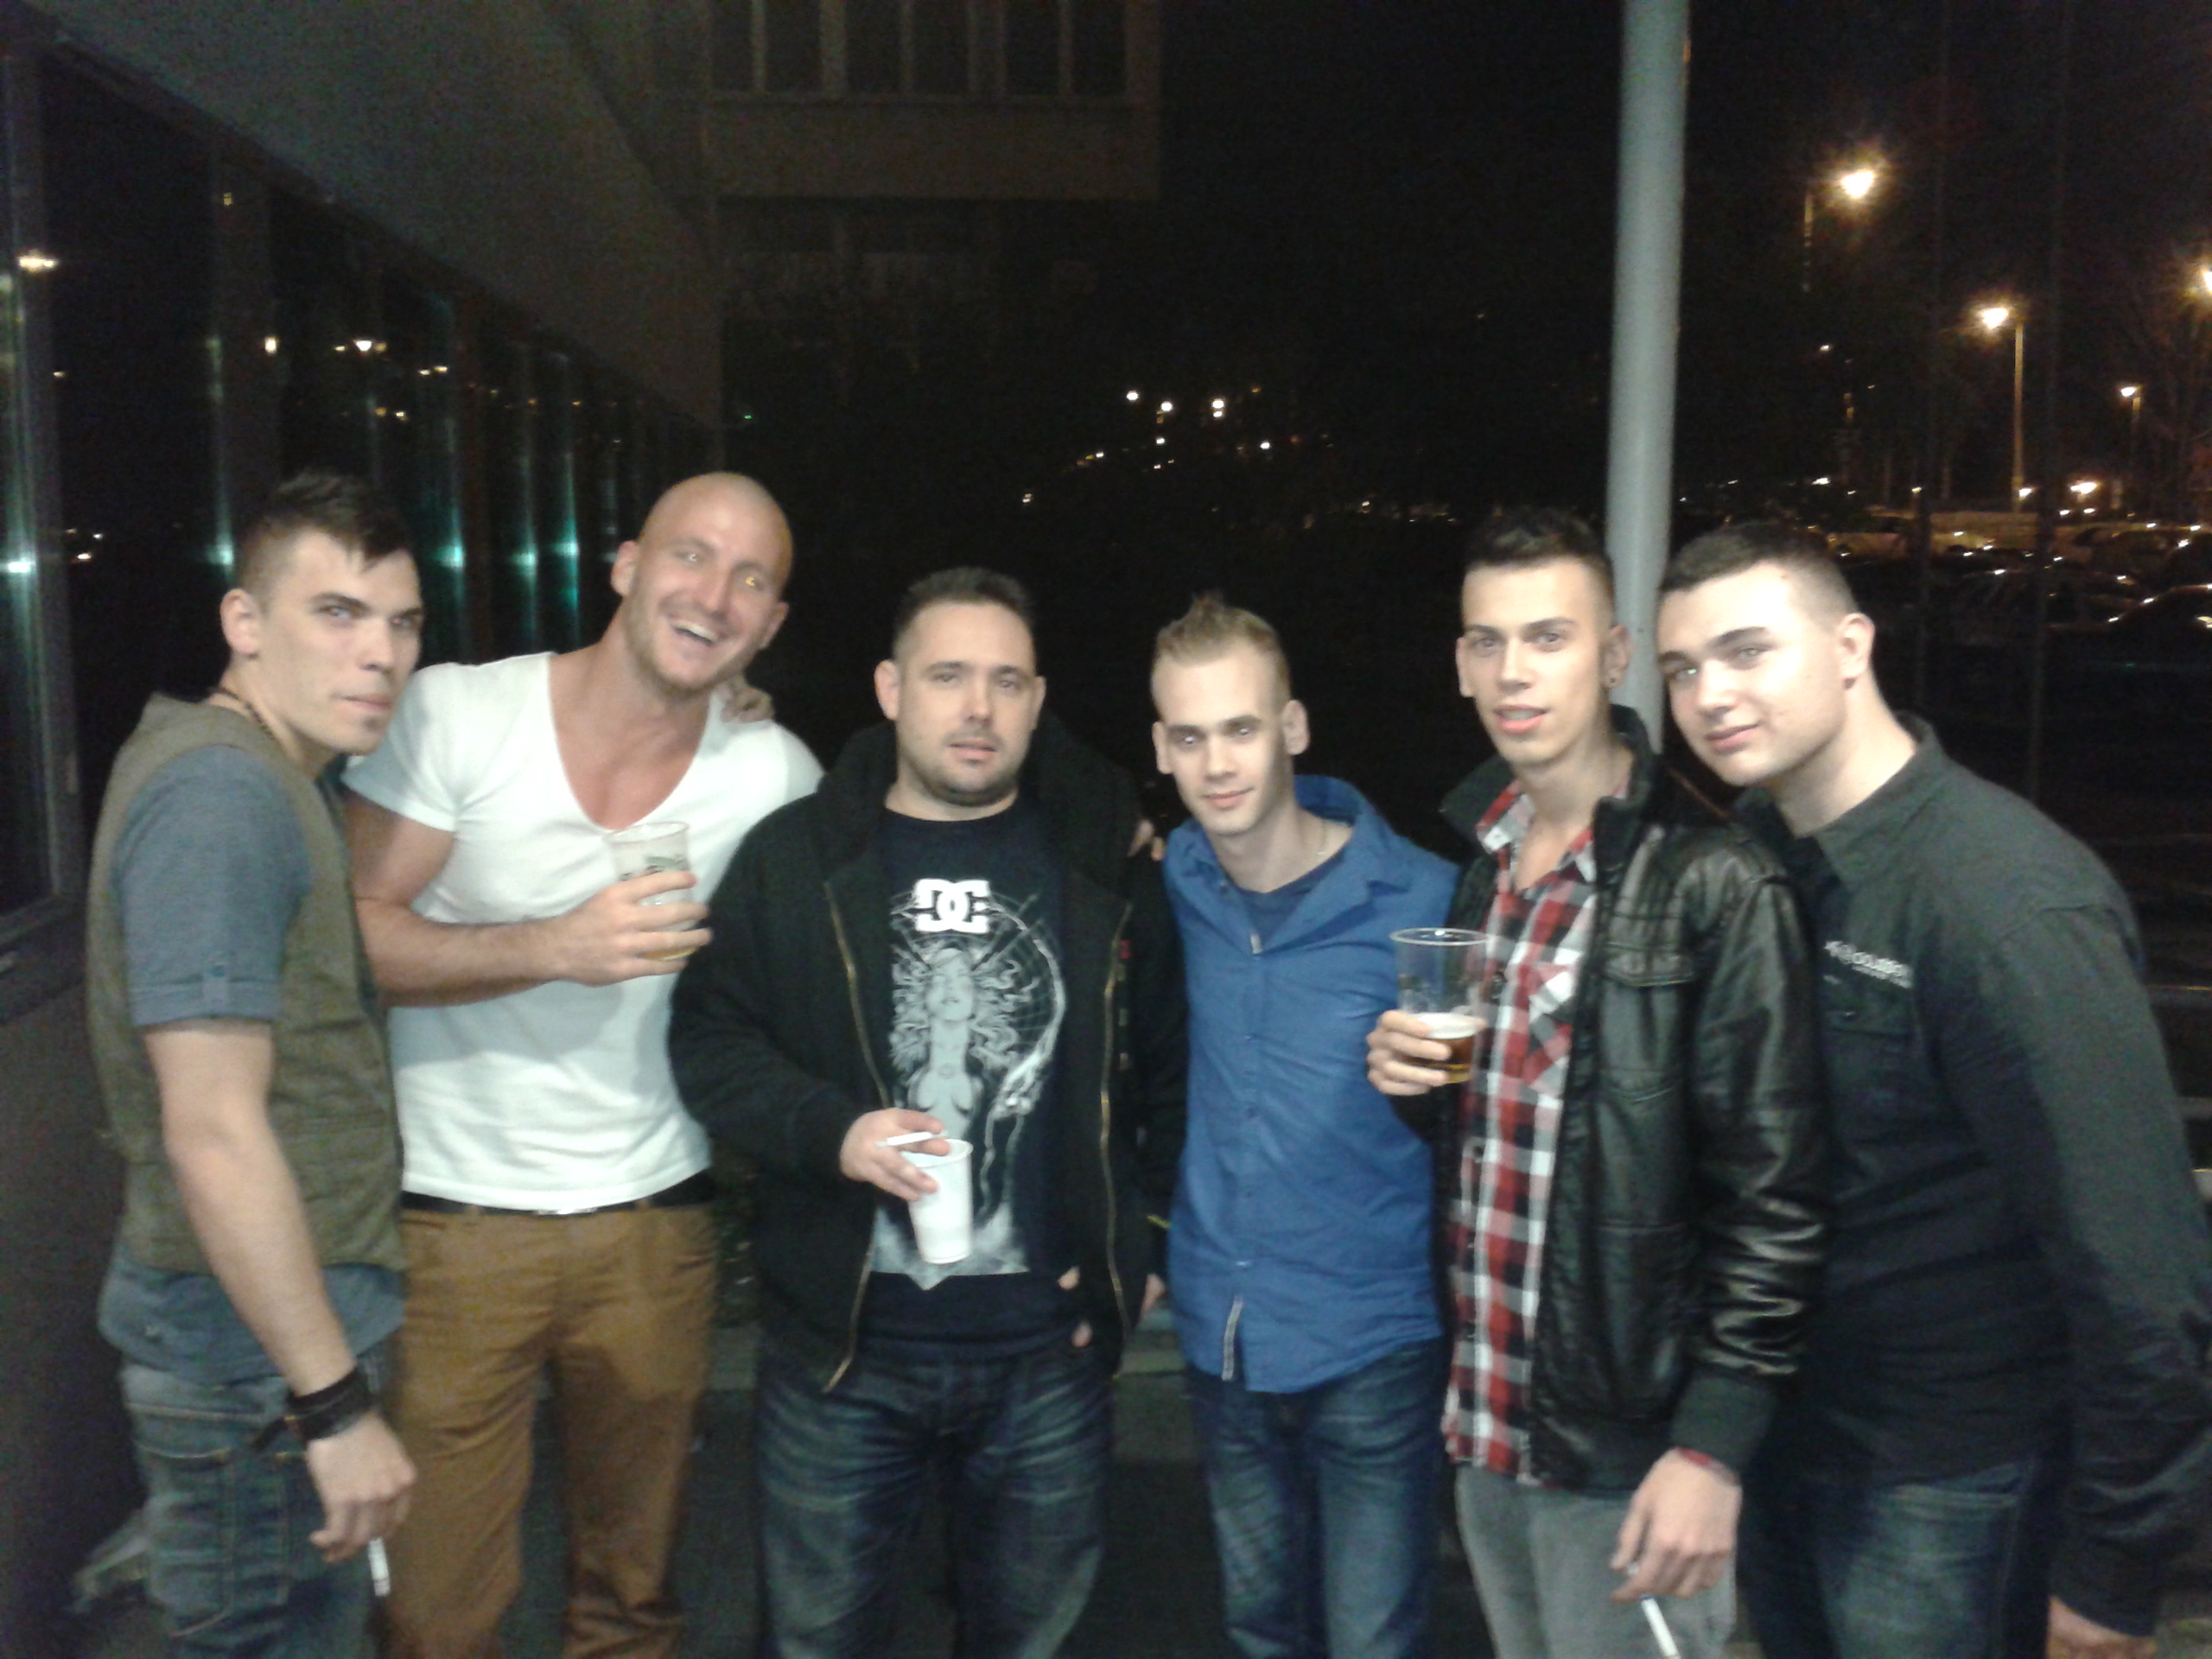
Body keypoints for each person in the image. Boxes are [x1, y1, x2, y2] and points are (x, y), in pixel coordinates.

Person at [1656, 522, 2212, 1659]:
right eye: (1680, 669)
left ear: (1850, 647)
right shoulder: (1753, 859)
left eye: (1748, 651)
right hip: (1791, 1446)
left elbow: (2142, 1276)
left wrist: (2113, 1569)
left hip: (1950, 1480)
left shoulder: (2000, 902)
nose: (1709, 695)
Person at [667, 566, 1185, 1659]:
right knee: (816, 1640)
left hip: (1046, 1356)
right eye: (947, 676)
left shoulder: (1099, 867)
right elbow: (710, 1042)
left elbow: (1171, 1074)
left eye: (1005, 681)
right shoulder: (795, 860)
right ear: (890, 689)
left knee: (1025, 1640)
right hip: (844, 1356)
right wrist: (833, 1131)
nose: (977, 707)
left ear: (1038, 703)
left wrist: (1144, 1246)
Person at [344, 474, 820, 1658]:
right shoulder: (460, 714)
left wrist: (1105, 827)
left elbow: (904, 831)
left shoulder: (771, 774)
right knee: (434, 1611)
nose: (712, 594)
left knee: (632, 1600)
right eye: (690, 555)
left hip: (655, 1225)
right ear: (625, 566)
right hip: (456, 1222)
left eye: (750, 580)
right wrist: (553, 949)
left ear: (769, 625)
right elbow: (351, 938)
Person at [1365, 509, 1825, 1659]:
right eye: (1487, 642)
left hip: (1633, 1458)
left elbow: (1776, 1199)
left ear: (1615, 656)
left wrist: (1712, 1447)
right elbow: (1515, 1137)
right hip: (1490, 1422)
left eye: (1548, 637)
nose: (1512, 672)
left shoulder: (1714, 876)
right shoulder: (1486, 864)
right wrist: (1412, 1084)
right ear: (1460, 662)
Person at [86, 470, 423, 1656]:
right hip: (254, 1374)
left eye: (402, 622)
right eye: (337, 613)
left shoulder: (272, 773)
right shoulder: (223, 797)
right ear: (244, 621)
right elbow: (213, 1130)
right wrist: (330, 1406)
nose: (379, 653)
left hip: (262, 1352)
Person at [1150, 594, 1457, 1659]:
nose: (1217, 763)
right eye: (1190, 736)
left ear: (1291, 727)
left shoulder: (1423, 899)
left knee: (1374, 1639)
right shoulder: (1175, 878)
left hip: (1372, 1337)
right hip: (1221, 1335)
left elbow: (1495, 1110)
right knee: (1259, 1629)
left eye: (1240, 728)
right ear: (1161, 749)